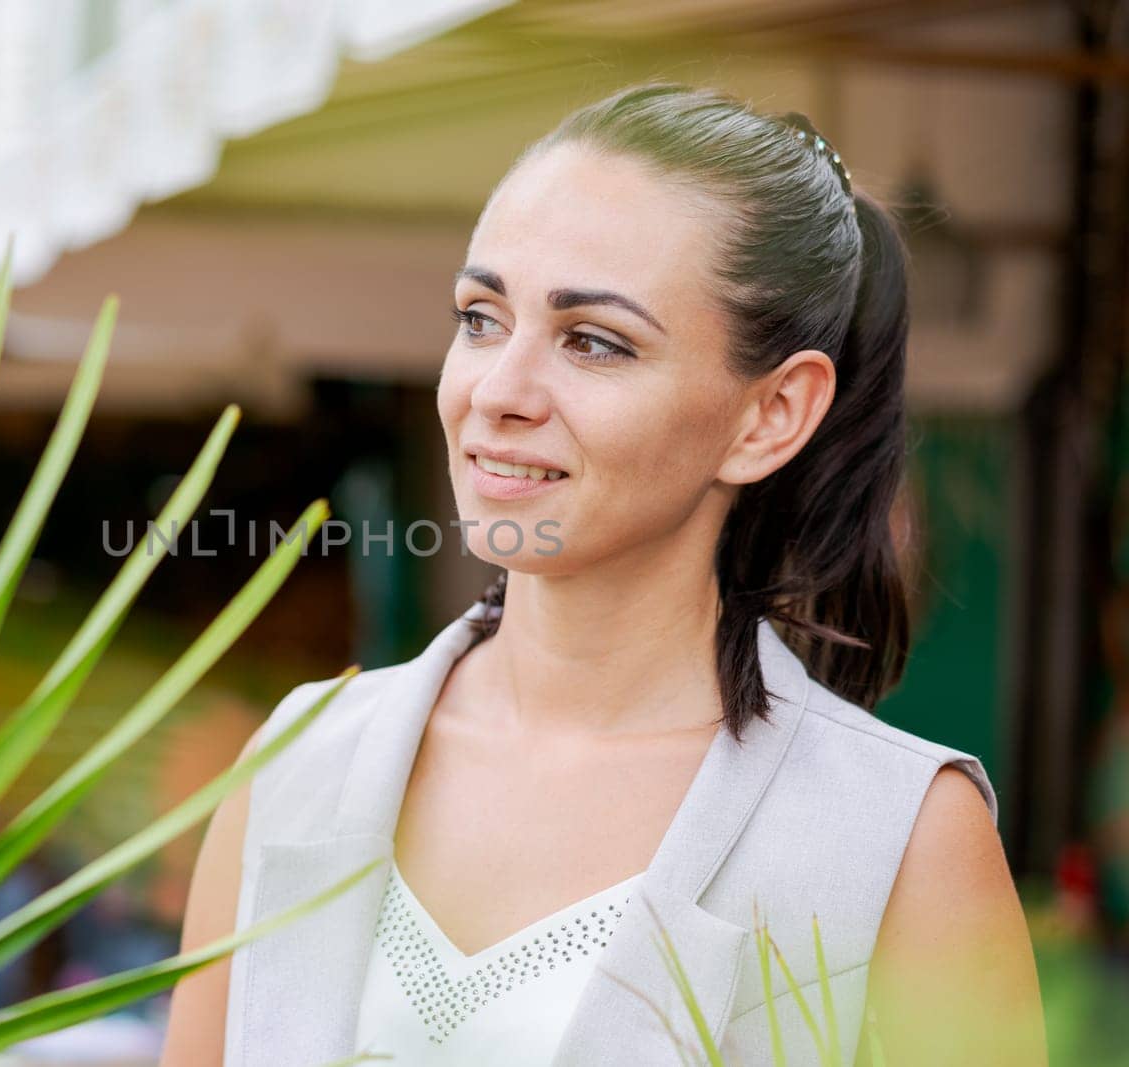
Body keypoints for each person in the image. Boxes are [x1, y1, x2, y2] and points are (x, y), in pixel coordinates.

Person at [160, 83, 1045, 1066]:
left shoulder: (898, 841)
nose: (497, 391)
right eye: (481, 316)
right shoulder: (294, 771)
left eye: (593, 340)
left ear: (770, 415)